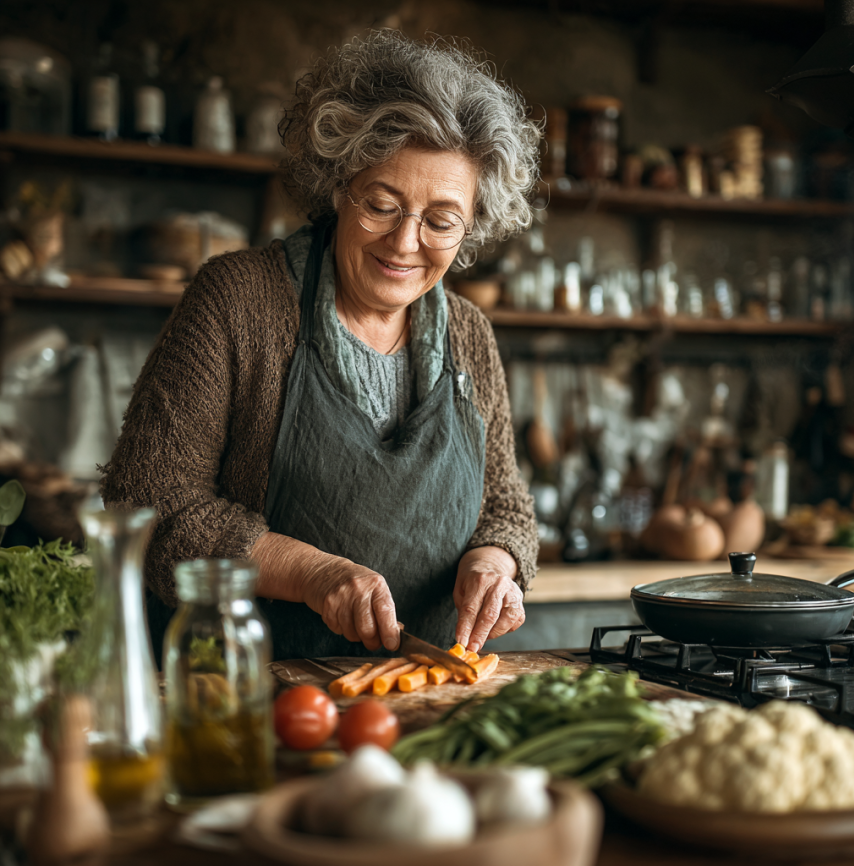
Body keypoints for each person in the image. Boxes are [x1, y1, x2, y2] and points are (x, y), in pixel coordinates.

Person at [101, 31, 541, 662]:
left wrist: (496, 563)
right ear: (340, 186)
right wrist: (311, 573)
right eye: (382, 205)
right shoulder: (238, 299)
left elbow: (506, 508)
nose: (405, 242)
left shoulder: (470, 334)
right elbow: (149, 504)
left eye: (441, 221)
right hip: (245, 689)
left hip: (428, 691)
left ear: (471, 226)